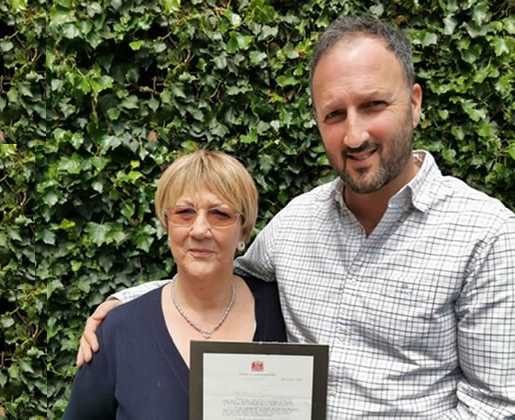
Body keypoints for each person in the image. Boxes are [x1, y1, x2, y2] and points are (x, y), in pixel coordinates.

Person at [76, 15, 515, 418]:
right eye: (334, 114)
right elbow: (221, 267)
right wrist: (125, 304)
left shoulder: (487, 236)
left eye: (374, 105)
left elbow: (493, 406)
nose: (355, 134)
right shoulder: (298, 223)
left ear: (415, 103)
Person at [63, 150, 286, 419]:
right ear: (167, 224)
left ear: (244, 229)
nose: (200, 230)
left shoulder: (284, 313)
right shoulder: (119, 332)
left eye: (220, 214)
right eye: (184, 212)